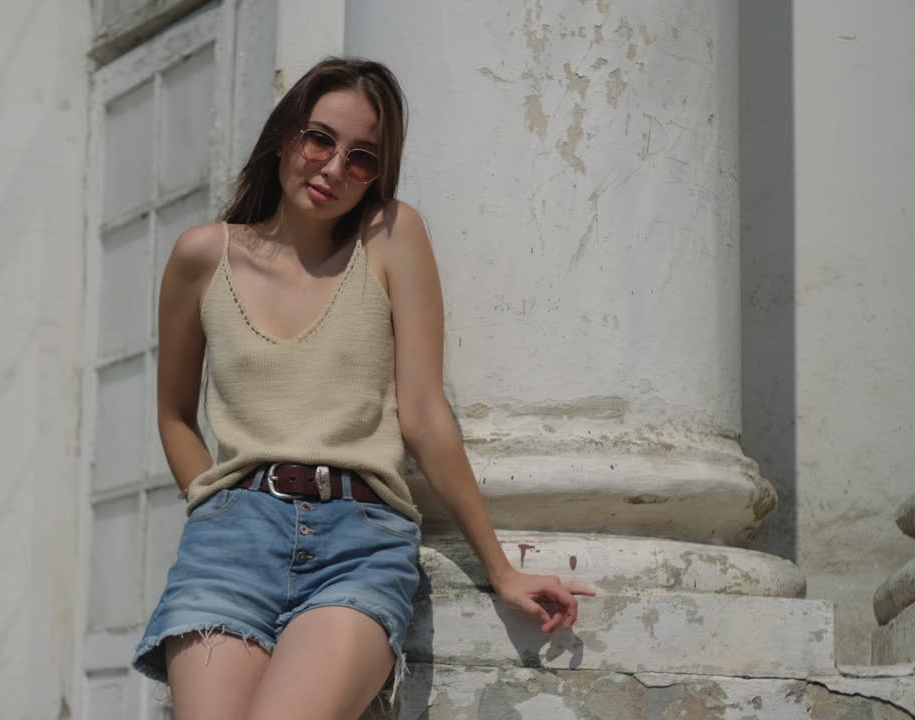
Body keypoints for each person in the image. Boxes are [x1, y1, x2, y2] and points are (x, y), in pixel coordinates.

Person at [131, 57, 594, 720]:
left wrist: (500, 567)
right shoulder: (203, 256)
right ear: (284, 135)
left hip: (357, 541)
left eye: (362, 158)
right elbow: (174, 415)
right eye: (320, 139)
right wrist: (213, 507)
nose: (333, 168)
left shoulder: (391, 237)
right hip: (229, 545)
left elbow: (425, 415)